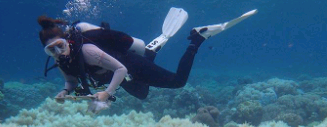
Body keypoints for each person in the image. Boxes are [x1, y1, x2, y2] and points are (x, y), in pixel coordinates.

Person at [38, 8, 257, 106]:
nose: (58, 53)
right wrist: (65, 91)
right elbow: (70, 80)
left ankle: (198, 39)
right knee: (142, 94)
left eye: (59, 46)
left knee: (178, 82)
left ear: (67, 40)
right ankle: (150, 52)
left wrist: (106, 92)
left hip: (127, 66)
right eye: (51, 51)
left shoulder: (88, 51)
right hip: (120, 76)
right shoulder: (60, 61)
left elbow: (120, 70)